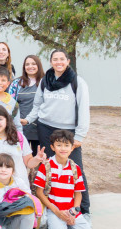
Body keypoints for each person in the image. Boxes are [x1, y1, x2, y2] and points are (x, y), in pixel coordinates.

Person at [23, 49, 91, 214]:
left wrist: (80, 135)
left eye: (62, 59)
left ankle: (83, 209)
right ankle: (50, 206)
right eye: (55, 59)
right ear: (51, 61)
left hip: (67, 131)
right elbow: (38, 105)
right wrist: (28, 119)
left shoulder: (77, 82)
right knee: (48, 167)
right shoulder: (45, 81)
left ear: (68, 61)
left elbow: (83, 110)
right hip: (45, 128)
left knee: (75, 168)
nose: (58, 62)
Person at [33, 130, 96, 229]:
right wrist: (56, 211)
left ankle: (66, 225)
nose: (63, 149)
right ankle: (56, 226)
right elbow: (39, 192)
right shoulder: (46, 166)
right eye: (59, 145)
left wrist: (73, 212)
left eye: (67, 145)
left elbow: (78, 193)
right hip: (53, 209)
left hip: (71, 210)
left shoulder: (75, 168)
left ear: (72, 148)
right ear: (52, 147)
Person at [0, 105, 45, 186]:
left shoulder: (18, 137)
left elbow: (28, 163)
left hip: (19, 186)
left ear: (7, 119)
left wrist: (37, 159)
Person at [8, 55, 45, 152]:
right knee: (22, 157)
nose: (30, 66)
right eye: (27, 64)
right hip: (21, 126)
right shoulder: (16, 83)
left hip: (41, 127)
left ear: (39, 65)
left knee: (39, 158)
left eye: (33, 64)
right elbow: (10, 104)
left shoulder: (46, 82)